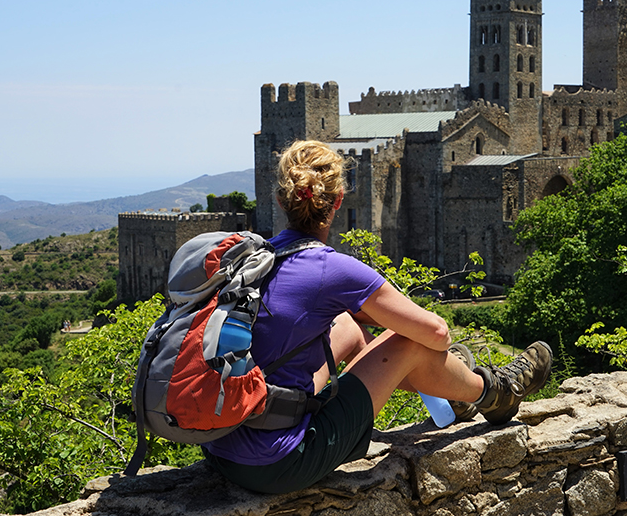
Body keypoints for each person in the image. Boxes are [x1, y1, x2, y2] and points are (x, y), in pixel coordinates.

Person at [202, 140, 552, 493]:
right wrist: (396, 321)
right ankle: (494, 393)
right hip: (276, 462)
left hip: (221, 445)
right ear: (338, 201)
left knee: (348, 326)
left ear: (281, 201)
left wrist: (364, 313)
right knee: (409, 343)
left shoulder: (255, 258)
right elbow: (438, 333)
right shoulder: (331, 268)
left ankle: (452, 390)